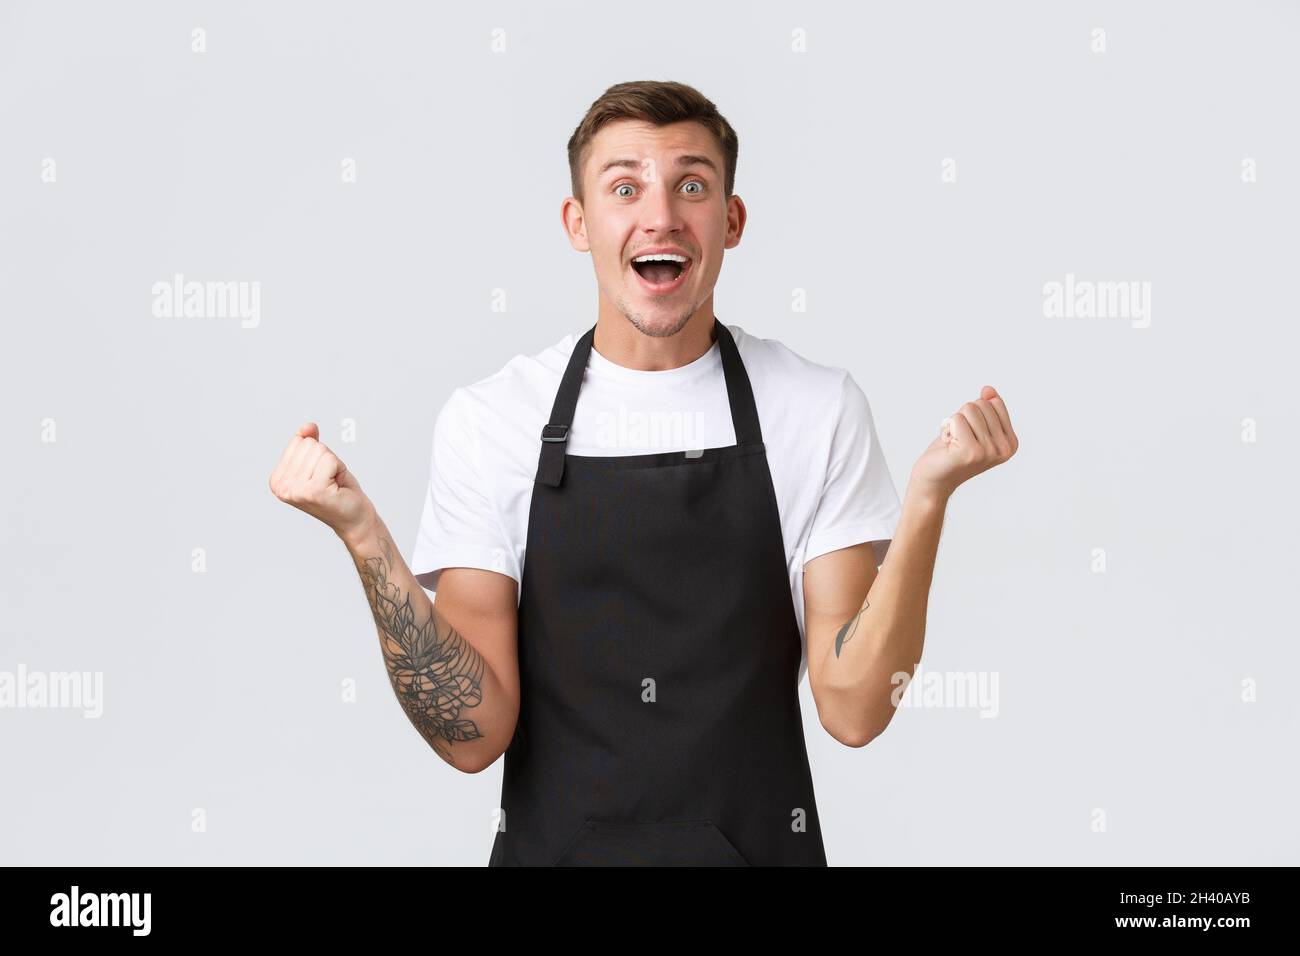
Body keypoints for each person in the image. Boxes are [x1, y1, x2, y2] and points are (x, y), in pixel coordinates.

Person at [268, 80, 1019, 866]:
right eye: (624, 187)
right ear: (578, 222)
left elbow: (856, 708)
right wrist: (364, 539)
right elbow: (472, 734)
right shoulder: (493, 421)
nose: (660, 215)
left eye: (691, 185)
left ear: (731, 221)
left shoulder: (814, 408)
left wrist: (928, 499)